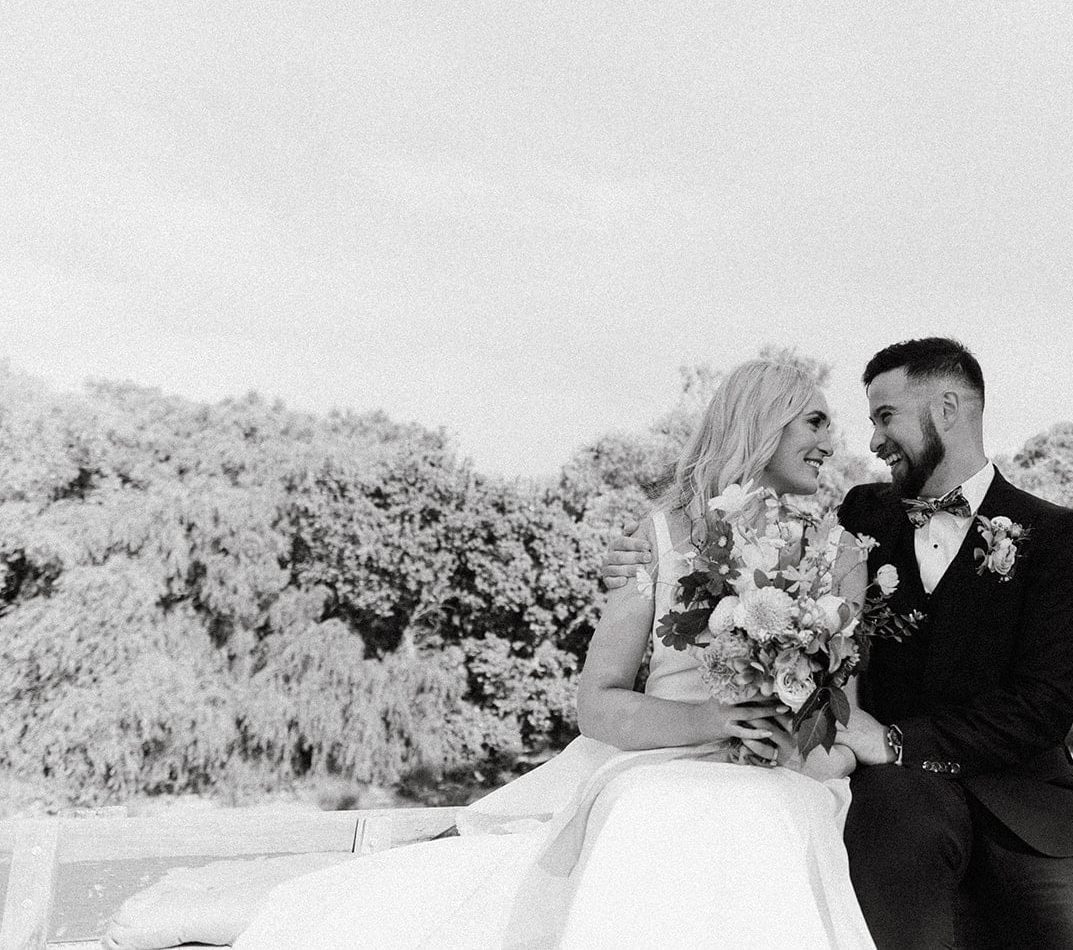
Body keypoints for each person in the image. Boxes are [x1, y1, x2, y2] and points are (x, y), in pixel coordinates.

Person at [234, 358, 875, 949]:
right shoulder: (656, 538)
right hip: (663, 753)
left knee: (768, 816)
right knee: (659, 806)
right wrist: (711, 719)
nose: (831, 442)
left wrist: (800, 754)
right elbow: (597, 702)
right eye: (815, 421)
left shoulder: (840, 553)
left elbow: (840, 713)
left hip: (781, 769)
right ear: (761, 423)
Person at [603, 338, 1073, 948]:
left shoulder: (1054, 532)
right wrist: (637, 564)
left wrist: (892, 740)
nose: (873, 441)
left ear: (946, 409)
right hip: (898, 800)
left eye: (885, 417)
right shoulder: (860, 516)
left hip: (1030, 806)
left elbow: (1046, 704)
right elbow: (748, 551)